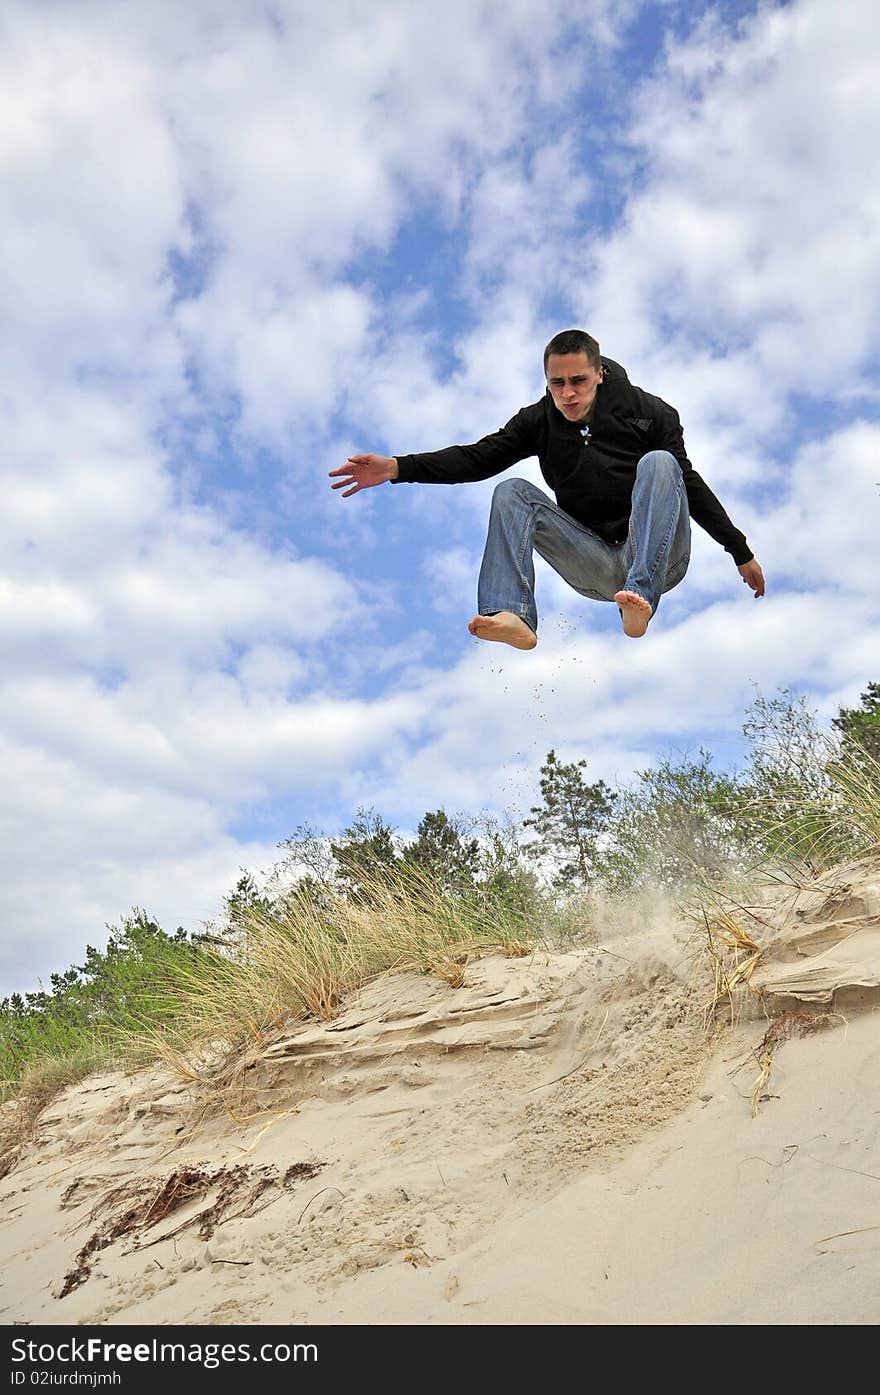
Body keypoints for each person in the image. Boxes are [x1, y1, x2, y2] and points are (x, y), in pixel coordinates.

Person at [329, 329, 765, 647]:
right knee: (512, 491)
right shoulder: (538, 421)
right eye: (557, 384)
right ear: (547, 383)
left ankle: (641, 602)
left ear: (598, 374)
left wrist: (739, 550)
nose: (568, 394)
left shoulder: (649, 413)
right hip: (594, 562)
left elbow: (687, 483)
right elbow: (477, 458)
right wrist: (397, 467)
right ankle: (513, 613)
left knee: (661, 463)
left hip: (658, 556)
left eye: (577, 381)